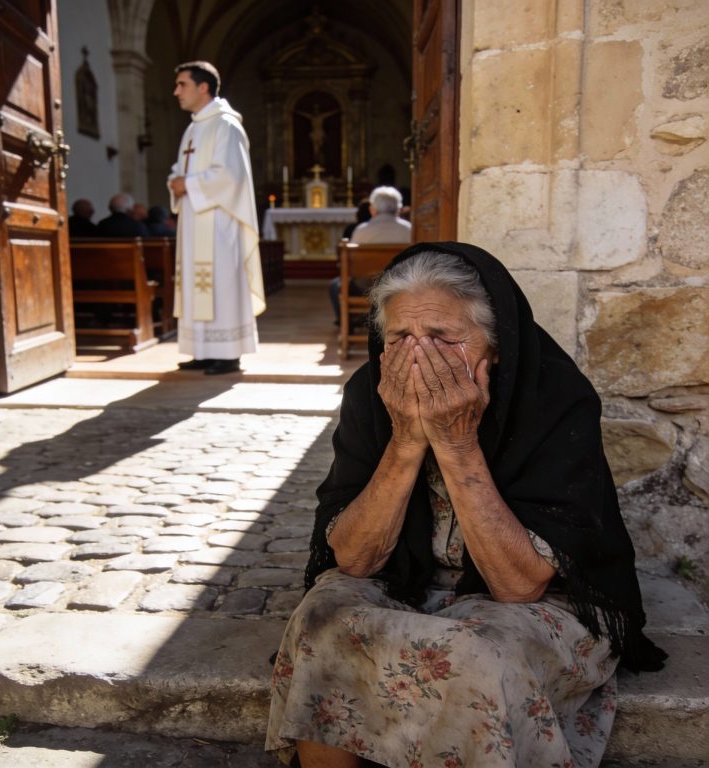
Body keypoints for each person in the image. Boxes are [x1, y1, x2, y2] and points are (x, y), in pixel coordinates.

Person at [267, 242, 666, 768]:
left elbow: (519, 585)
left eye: (442, 337)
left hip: (538, 597)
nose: (419, 357)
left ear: (494, 347)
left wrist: (456, 445)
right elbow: (356, 559)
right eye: (401, 338)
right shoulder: (372, 393)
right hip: (408, 578)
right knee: (322, 617)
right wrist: (406, 440)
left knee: (475, 650)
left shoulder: (553, 399)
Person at [168, 60, 265, 375]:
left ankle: (228, 353)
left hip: (220, 223)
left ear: (203, 87)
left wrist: (187, 184)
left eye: (182, 84)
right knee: (196, 284)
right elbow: (180, 169)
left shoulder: (226, 125)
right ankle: (204, 350)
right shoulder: (193, 128)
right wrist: (176, 181)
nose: (176, 92)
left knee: (221, 282)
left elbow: (230, 175)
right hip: (194, 220)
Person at [329, 187, 411, 326]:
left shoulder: (361, 231)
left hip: (365, 286)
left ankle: (350, 324)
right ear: (399, 208)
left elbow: (352, 262)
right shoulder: (409, 229)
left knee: (335, 285)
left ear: (372, 209)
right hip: (400, 285)